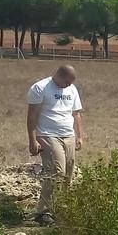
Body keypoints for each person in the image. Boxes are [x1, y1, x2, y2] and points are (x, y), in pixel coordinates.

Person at [27, 65, 84, 225]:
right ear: (59, 75)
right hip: (47, 133)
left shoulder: (72, 89)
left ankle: (61, 206)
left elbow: (76, 113)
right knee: (56, 170)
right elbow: (32, 115)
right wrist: (32, 140)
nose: (68, 85)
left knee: (69, 170)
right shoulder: (40, 88)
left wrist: (80, 136)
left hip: (68, 134)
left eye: (71, 83)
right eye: (66, 82)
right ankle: (42, 212)